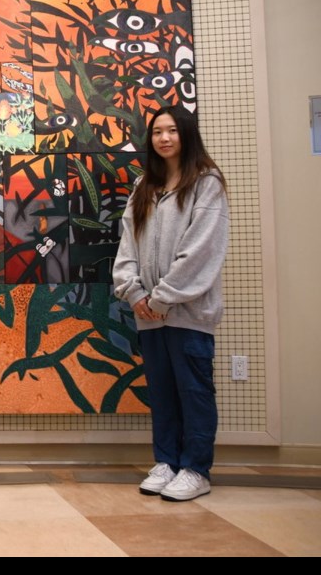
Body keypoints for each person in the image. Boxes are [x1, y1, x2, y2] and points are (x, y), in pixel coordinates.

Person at [113, 105, 229, 502]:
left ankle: (196, 468)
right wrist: (135, 293)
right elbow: (127, 245)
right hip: (149, 314)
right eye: (158, 132)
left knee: (193, 391)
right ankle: (167, 461)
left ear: (186, 134)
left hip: (189, 313)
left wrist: (161, 298)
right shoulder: (145, 185)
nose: (164, 138)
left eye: (172, 131)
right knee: (162, 392)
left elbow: (201, 251)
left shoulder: (207, 182)